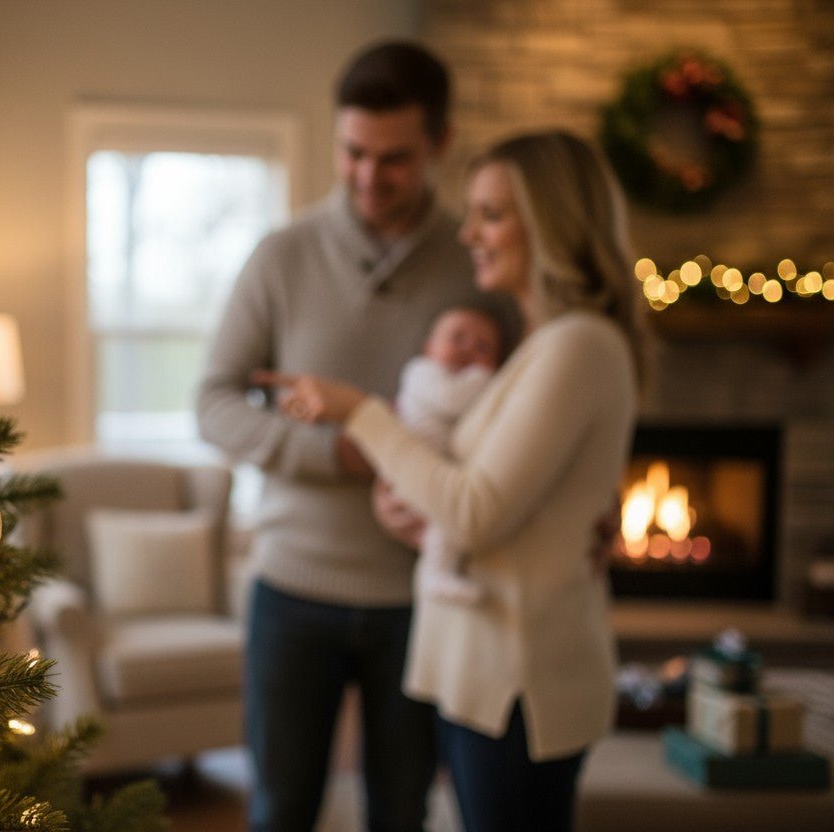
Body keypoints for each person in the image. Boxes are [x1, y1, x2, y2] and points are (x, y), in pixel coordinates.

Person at [257, 130, 649, 832]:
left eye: (492, 214)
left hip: (520, 678)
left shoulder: (578, 346)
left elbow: (474, 512)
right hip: (486, 670)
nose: (469, 233)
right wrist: (414, 513)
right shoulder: (543, 345)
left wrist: (363, 414)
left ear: (554, 223)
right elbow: (487, 498)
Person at [196, 40, 514, 832]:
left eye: (395, 158)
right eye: (353, 152)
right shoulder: (281, 256)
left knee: (401, 810)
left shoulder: (480, 268)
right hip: (292, 590)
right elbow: (211, 403)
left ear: (440, 143)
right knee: (280, 808)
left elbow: (517, 418)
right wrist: (337, 450)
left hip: (424, 596)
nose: (369, 176)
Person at [394, 303, 503, 604]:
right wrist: (487, 378)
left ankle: (436, 571)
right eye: (457, 338)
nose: (469, 349)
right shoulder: (421, 372)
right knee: (444, 518)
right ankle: (435, 575)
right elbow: (451, 400)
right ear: (429, 347)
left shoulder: (464, 385)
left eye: (483, 347)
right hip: (415, 464)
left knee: (442, 524)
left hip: (438, 469)